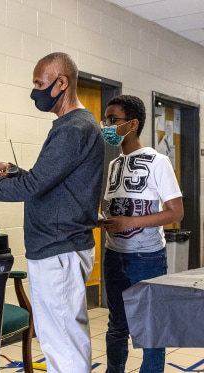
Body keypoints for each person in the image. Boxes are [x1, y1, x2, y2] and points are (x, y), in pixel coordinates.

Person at [0, 52, 105, 373]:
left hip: (59, 250)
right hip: (59, 248)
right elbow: (52, 184)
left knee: (64, 344)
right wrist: (15, 171)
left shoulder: (73, 128)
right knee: (61, 338)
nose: (34, 92)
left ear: (61, 83)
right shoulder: (75, 127)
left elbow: (31, 189)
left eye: (39, 84)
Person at [99, 95, 183, 373]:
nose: (107, 126)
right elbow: (114, 207)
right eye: (105, 120)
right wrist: (106, 220)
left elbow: (175, 213)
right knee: (116, 326)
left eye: (113, 120)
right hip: (113, 256)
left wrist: (128, 223)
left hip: (146, 258)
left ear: (132, 124)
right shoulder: (113, 166)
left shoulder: (158, 161)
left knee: (150, 330)